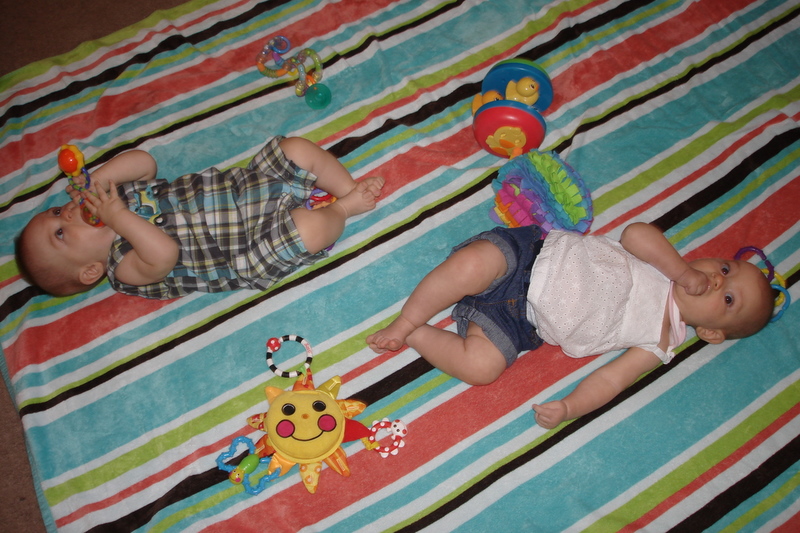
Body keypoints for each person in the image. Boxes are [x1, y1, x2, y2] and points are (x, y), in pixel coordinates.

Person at [366, 222, 775, 429]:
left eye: (728, 299)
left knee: (482, 368)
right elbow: (635, 234)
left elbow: (611, 380)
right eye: (726, 268)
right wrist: (680, 272)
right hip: (526, 258)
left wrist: (570, 408)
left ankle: (418, 335)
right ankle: (408, 319)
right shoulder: (667, 263)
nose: (718, 280)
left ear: (711, 333)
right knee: (470, 265)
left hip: (519, 322)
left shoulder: (660, 340)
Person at [17, 136, 384, 299]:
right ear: (89, 271)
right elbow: (164, 253)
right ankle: (345, 207)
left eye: (55, 212)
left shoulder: (115, 196)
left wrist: (99, 179)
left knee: (294, 148)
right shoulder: (121, 266)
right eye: (60, 232)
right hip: (248, 248)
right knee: (310, 228)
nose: (65, 213)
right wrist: (117, 217)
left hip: (247, 187)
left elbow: (145, 163)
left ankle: (350, 187)